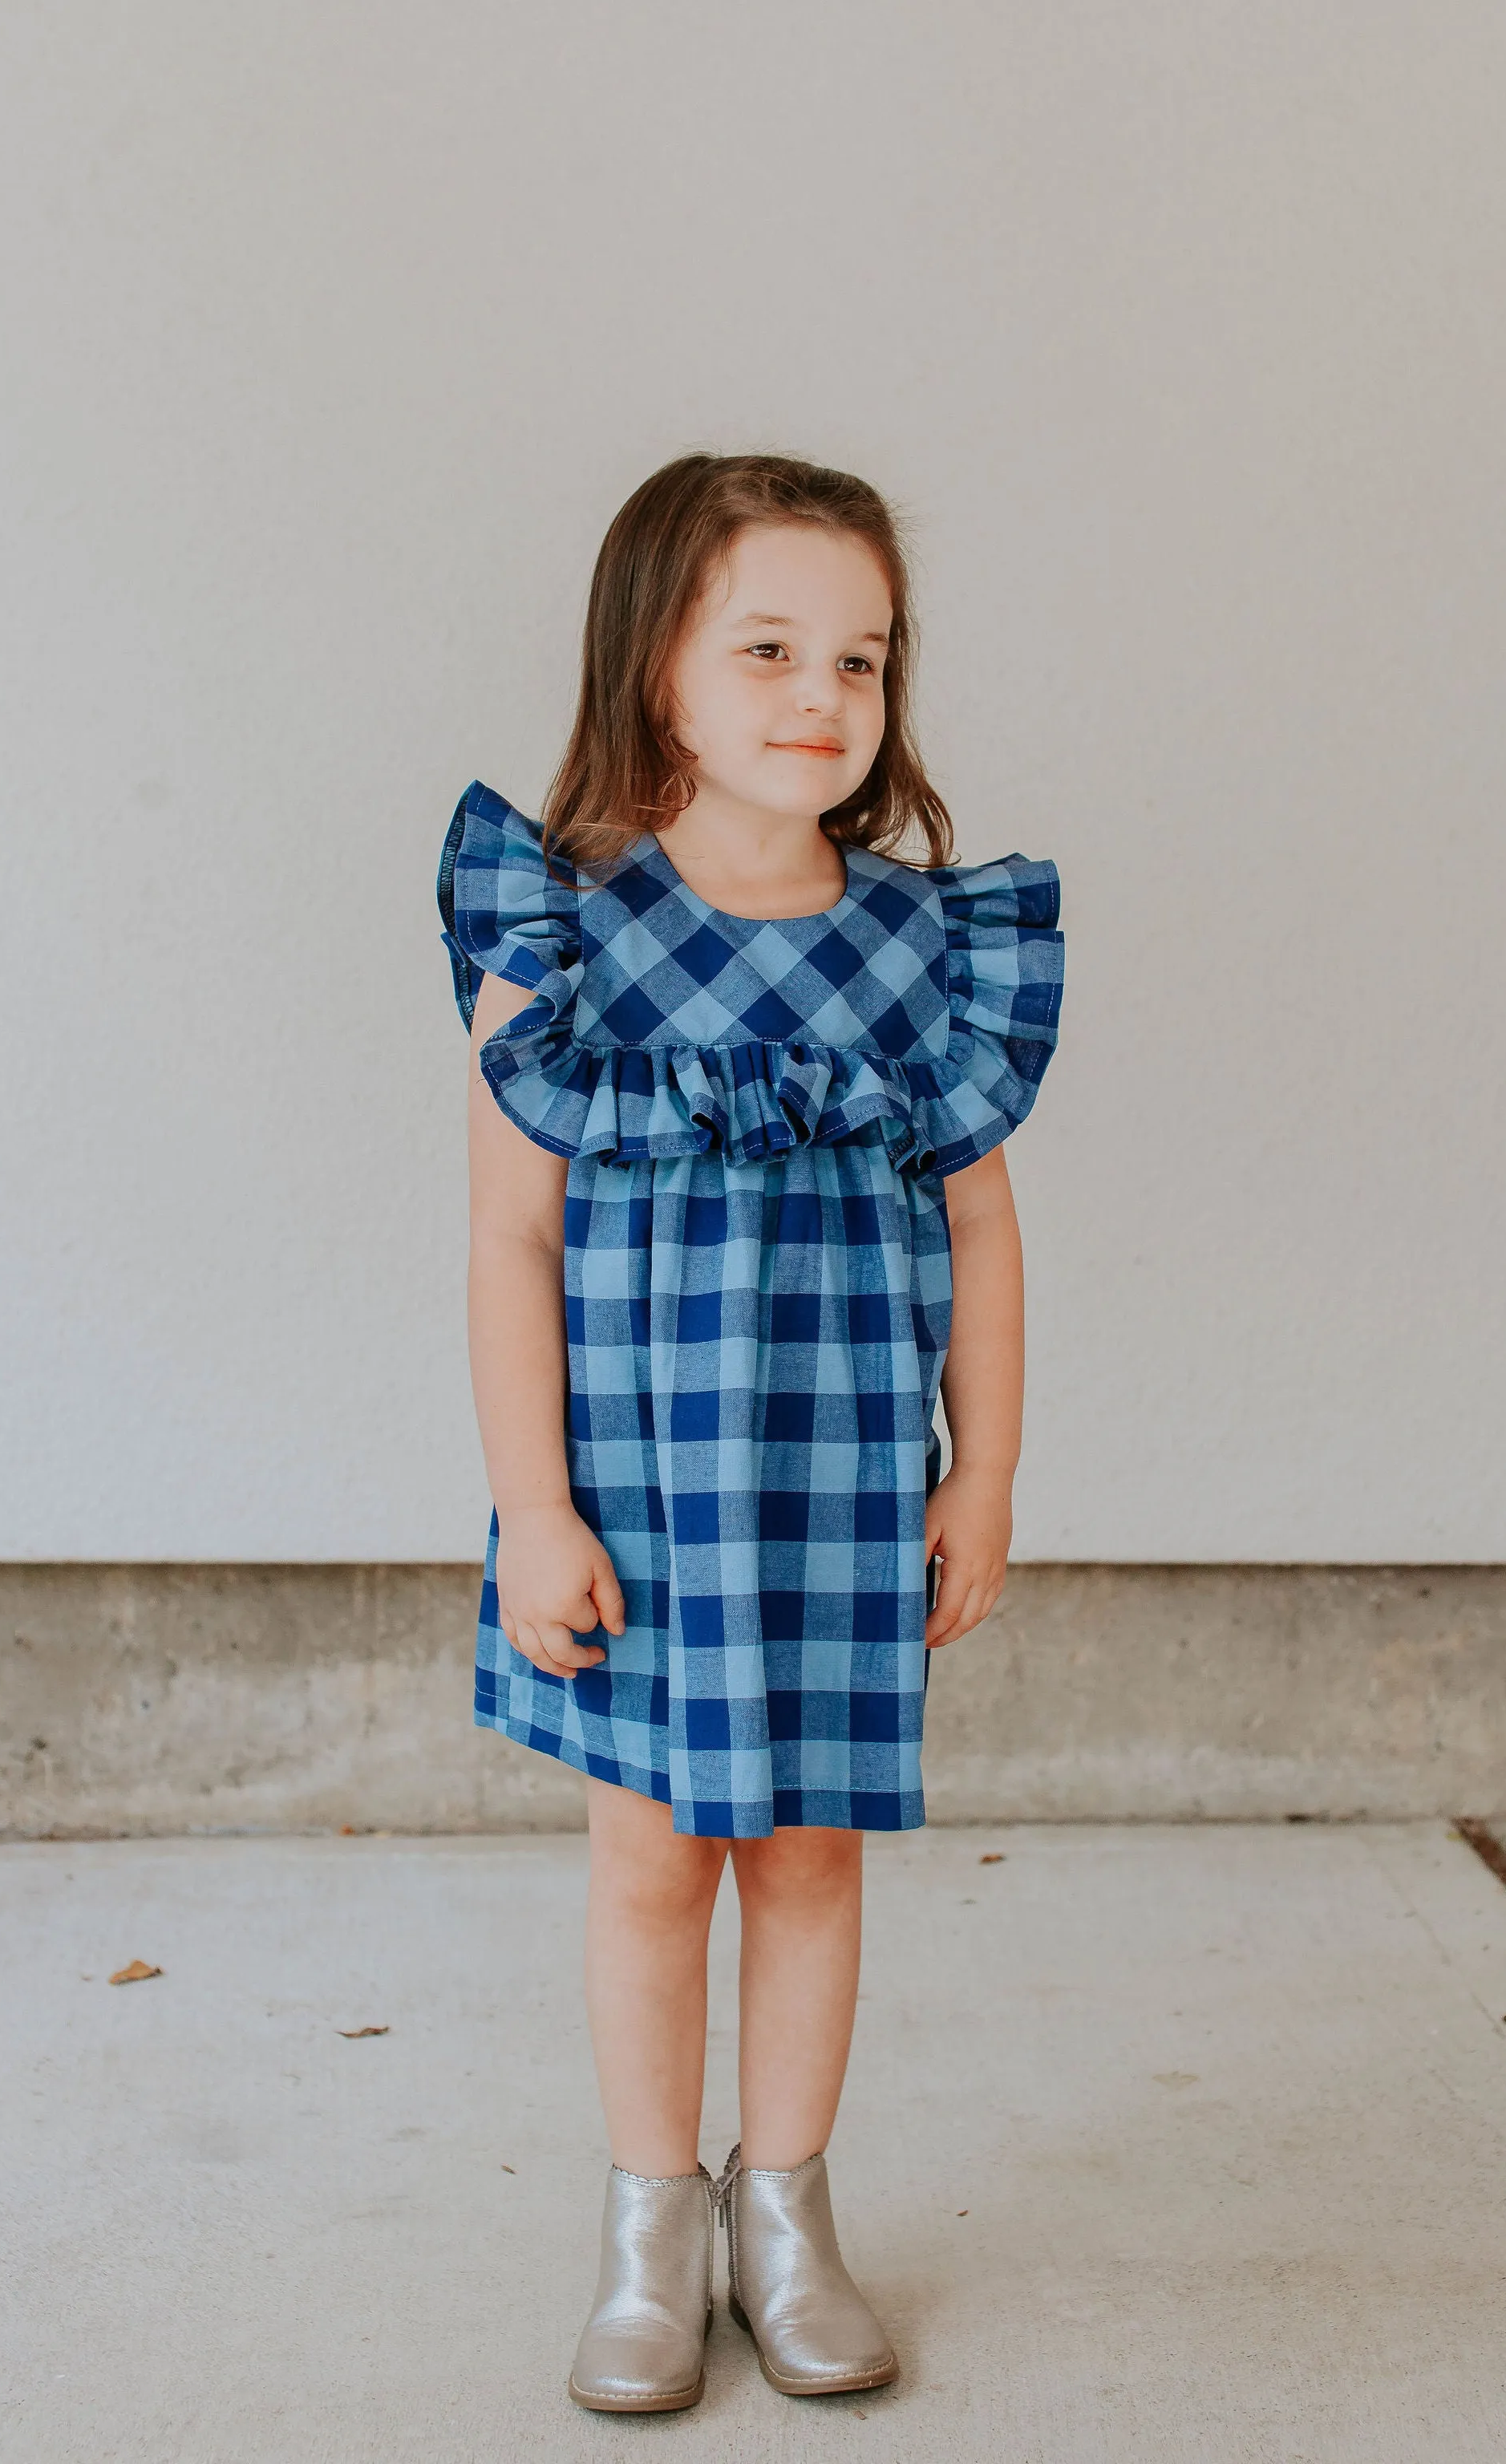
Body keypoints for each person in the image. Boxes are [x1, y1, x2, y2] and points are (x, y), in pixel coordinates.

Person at [436, 451, 1063, 2412]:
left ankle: (783, 2209)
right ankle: (649, 2225)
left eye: (861, 659)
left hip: (842, 1486)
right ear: (657, 676)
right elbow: (509, 1236)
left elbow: (979, 1225)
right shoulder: (566, 942)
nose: (823, 696)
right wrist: (533, 1508)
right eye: (770, 646)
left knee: (807, 1858)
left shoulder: (922, 955)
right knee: (651, 1862)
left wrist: (988, 1475)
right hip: (637, 1491)